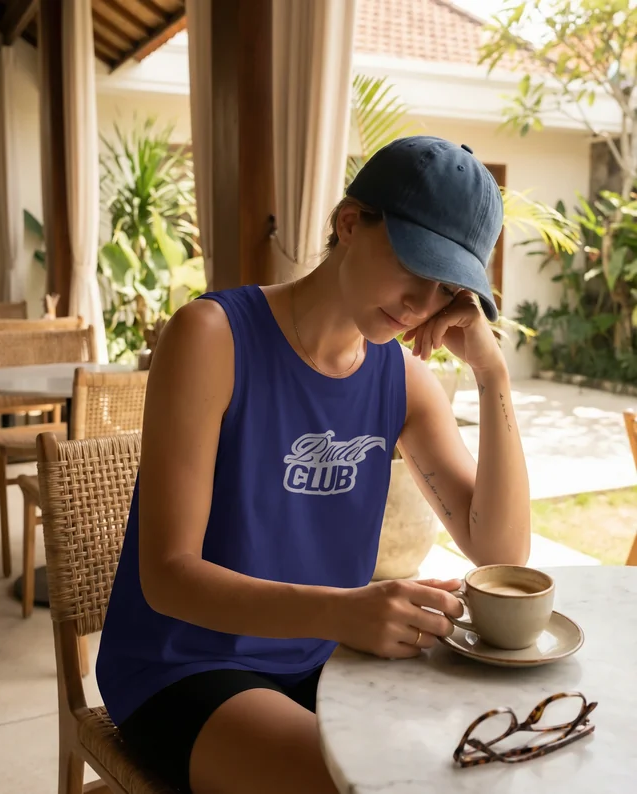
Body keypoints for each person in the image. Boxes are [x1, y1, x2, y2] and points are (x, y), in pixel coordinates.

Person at [96, 135, 531, 794]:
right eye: (415, 265)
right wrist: (344, 613)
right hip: (184, 667)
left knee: (484, 763)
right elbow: (168, 579)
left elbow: (500, 549)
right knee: (364, 785)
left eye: (446, 289)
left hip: (326, 664)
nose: (421, 304)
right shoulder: (212, 338)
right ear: (350, 223)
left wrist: (491, 371)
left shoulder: (403, 380)